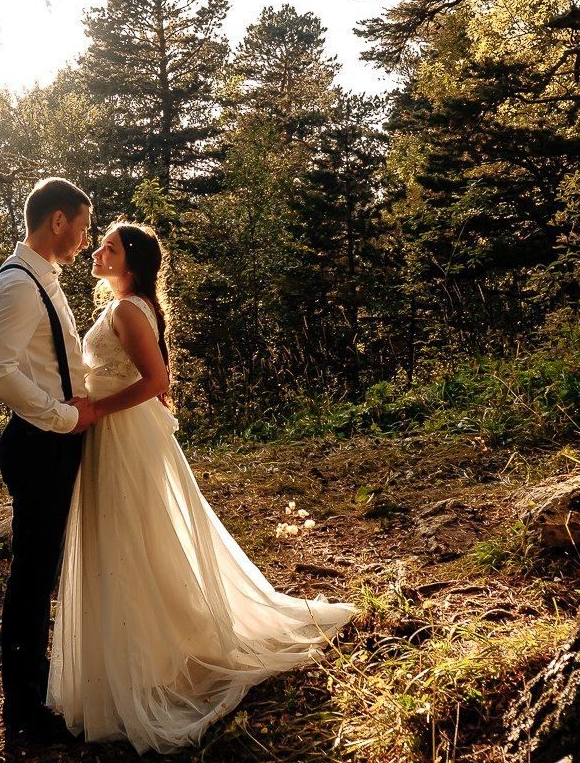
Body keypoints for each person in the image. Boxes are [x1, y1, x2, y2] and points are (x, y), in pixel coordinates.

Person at [47, 221, 357, 754]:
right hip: (117, 436)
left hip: (122, 435)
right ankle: (145, 652)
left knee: (130, 541)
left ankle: (151, 660)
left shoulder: (126, 309)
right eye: (99, 245)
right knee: (137, 542)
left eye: (110, 248)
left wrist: (95, 408)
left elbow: (156, 381)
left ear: (131, 263)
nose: (98, 251)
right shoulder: (128, 305)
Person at [0, 177, 97, 745]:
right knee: (31, 576)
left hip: (57, 440)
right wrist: (63, 417)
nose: (84, 238)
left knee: (43, 570)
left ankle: (38, 687)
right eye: (81, 227)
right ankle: (23, 710)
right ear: (56, 221)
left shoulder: (45, 278)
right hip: (39, 443)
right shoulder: (18, 285)